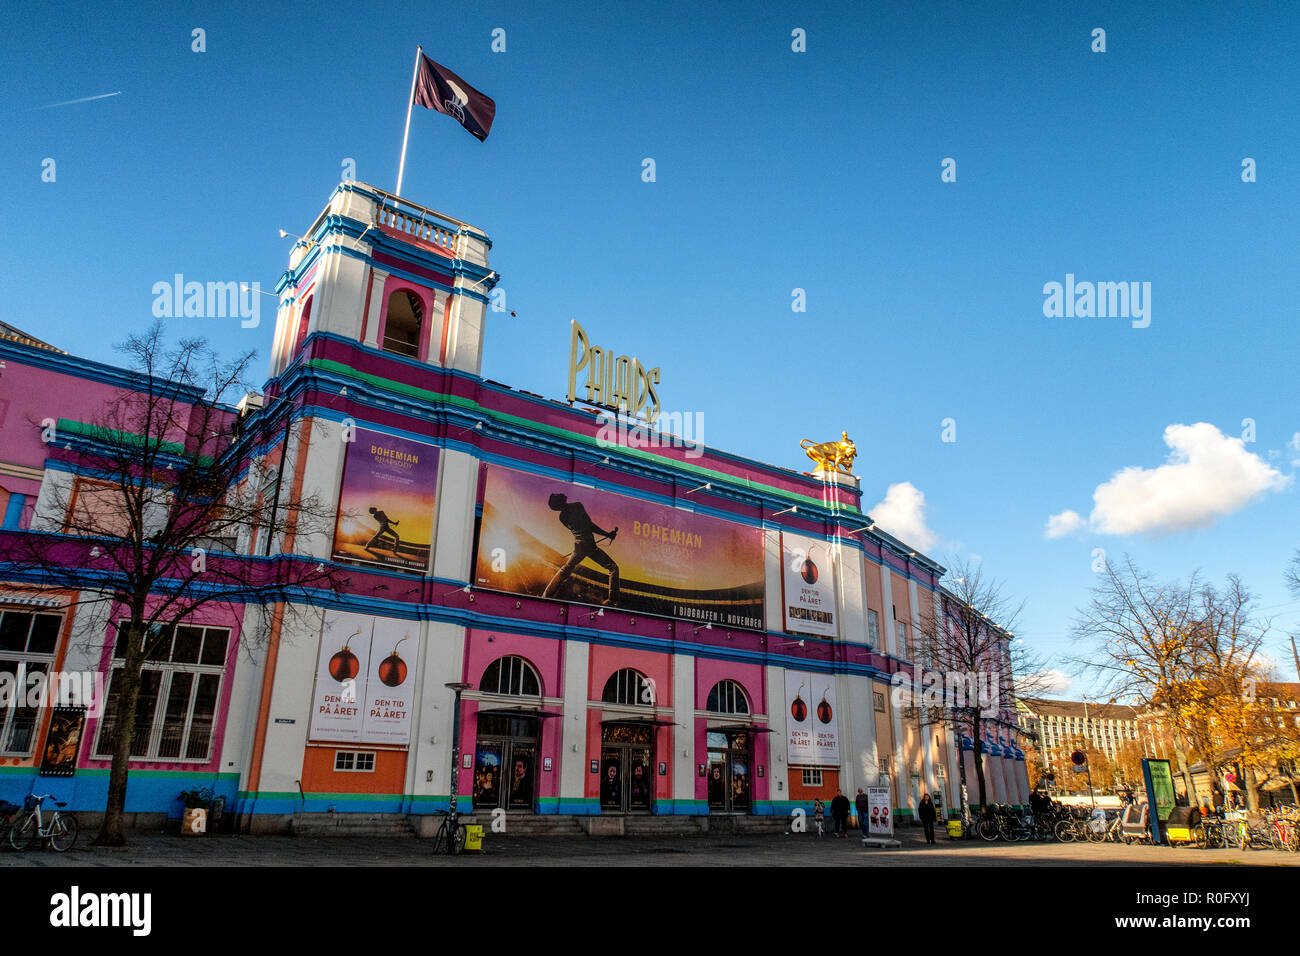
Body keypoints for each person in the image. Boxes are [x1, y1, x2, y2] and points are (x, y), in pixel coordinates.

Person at [542, 493, 620, 604]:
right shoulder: (577, 506)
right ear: (561, 500)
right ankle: (612, 600)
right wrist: (607, 534)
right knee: (613, 568)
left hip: (579, 546)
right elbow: (589, 526)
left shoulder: (562, 517)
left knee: (565, 570)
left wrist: (606, 534)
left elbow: (584, 528)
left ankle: (546, 595)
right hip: (588, 545)